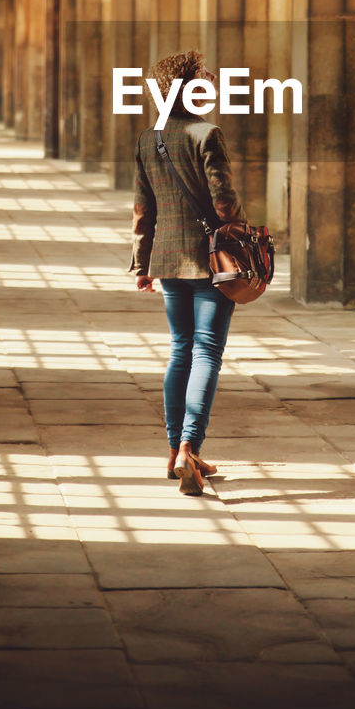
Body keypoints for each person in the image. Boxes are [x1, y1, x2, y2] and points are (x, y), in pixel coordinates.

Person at [129, 50, 246, 496]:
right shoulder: (207, 134)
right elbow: (223, 204)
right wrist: (239, 222)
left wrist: (142, 264)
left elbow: (144, 210)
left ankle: (177, 451)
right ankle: (188, 446)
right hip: (212, 263)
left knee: (181, 349)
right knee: (207, 352)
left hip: (168, 259)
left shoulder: (148, 138)